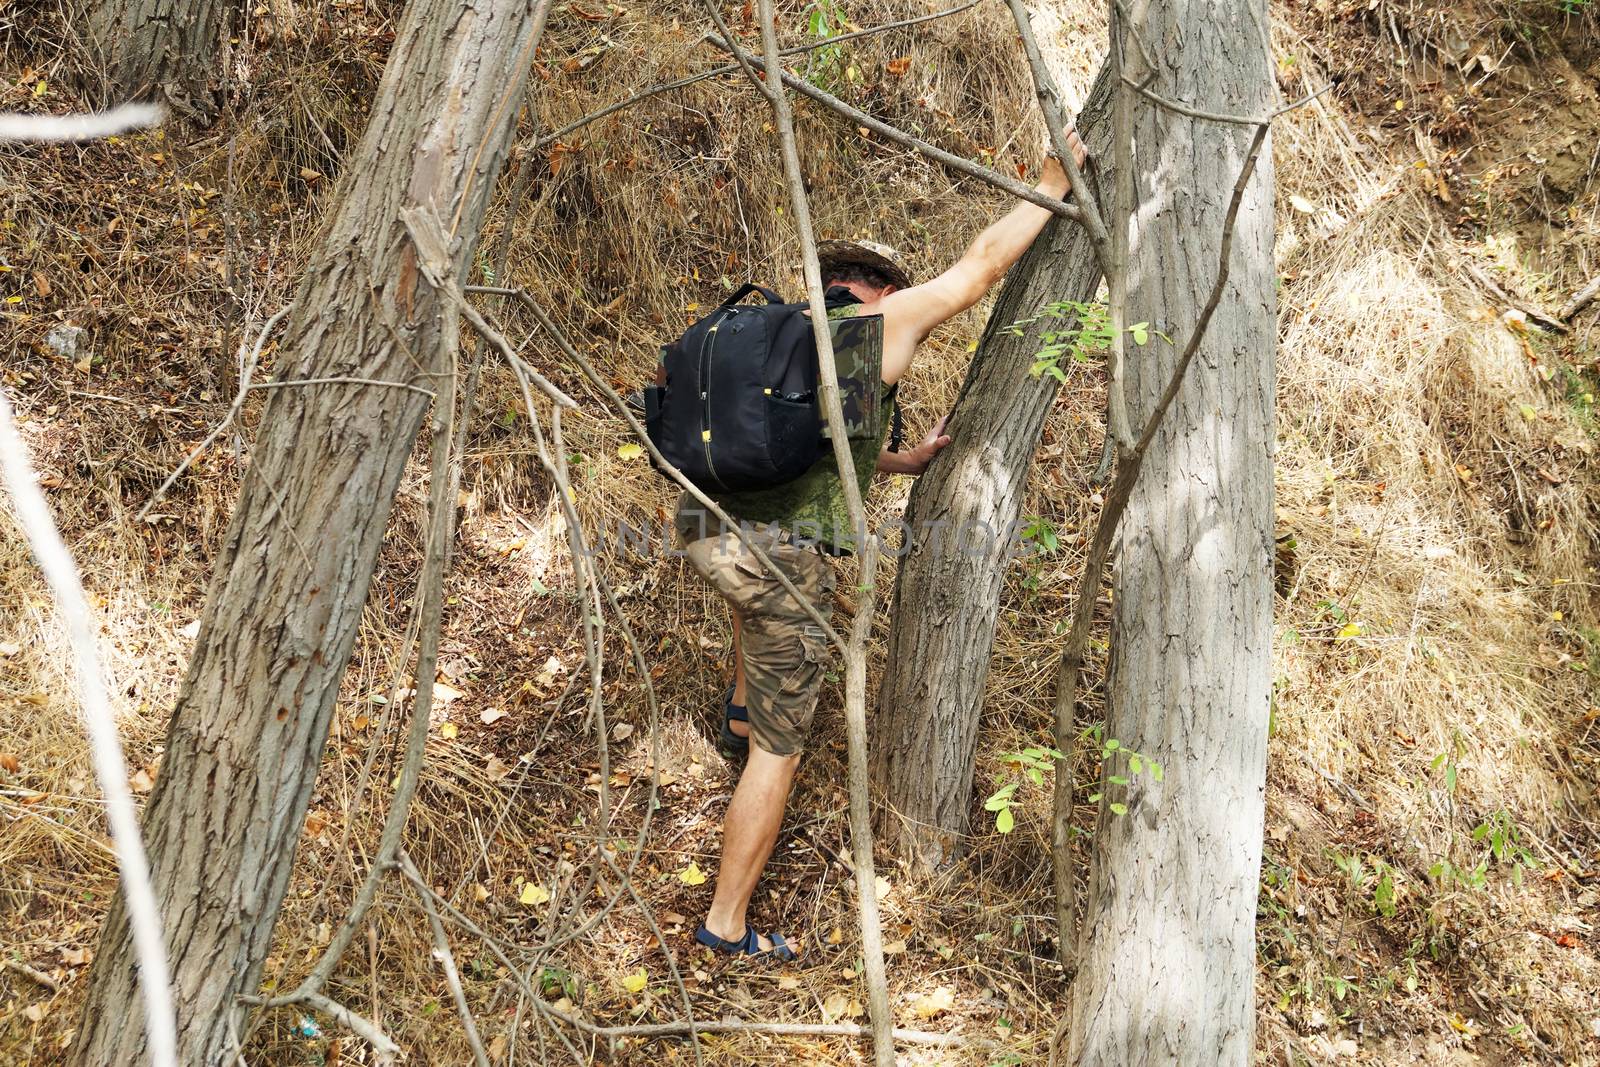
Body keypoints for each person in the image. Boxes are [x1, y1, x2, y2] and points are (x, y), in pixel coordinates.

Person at [678, 134, 1088, 961]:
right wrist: (1046, 187)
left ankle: (734, 710)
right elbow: (976, 271)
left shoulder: (791, 333)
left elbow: (813, 445)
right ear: (882, 288)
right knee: (780, 750)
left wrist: (902, 459)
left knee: (757, 609)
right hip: (779, 562)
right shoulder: (881, 321)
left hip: (703, 528)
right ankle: (726, 924)